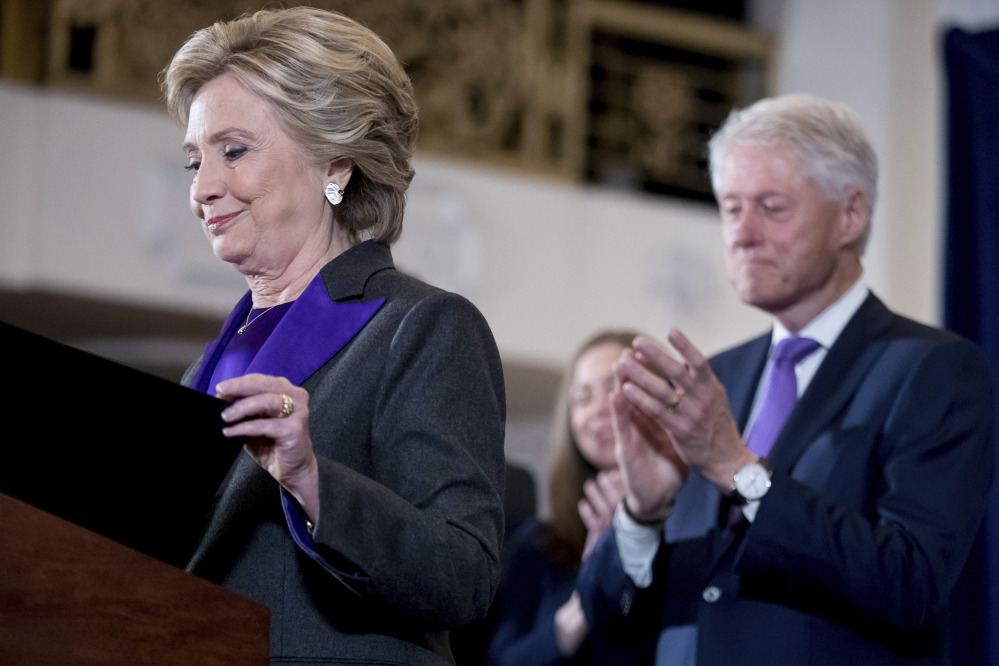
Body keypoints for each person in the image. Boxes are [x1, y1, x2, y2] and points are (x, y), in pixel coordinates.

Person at [577, 94, 994, 665]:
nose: (742, 233)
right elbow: (611, 622)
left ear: (851, 215)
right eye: (730, 208)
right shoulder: (714, 379)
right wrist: (643, 512)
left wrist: (738, 469)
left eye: (772, 207)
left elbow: (910, 584)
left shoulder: (933, 370)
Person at [160, 8, 505, 665]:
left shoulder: (421, 327)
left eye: (233, 150)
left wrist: (310, 479)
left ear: (335, 163)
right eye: (193, 162)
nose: (203, 188)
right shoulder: (207, 364)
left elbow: (464, 575)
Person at [487, 331, 657, 666]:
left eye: (615, 387)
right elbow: (500, 660)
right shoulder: (540, 545)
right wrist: (581, 604)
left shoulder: (699, 525)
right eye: (582, 397)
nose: (600, 408)